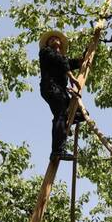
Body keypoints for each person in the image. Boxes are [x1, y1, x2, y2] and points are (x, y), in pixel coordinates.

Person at [39, 30, 86, 161]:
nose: (54, 39)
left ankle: (64, 128)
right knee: (60, 115)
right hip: (51, 87)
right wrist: (71, 75)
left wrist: (85, 57)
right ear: (47, 44)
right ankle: (58, 151)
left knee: (80, 114)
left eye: (56, 38)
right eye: (51, 39)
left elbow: (70, 62)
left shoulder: (63, 60)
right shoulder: (46, 53)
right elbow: (59, 60)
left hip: (61, 91)